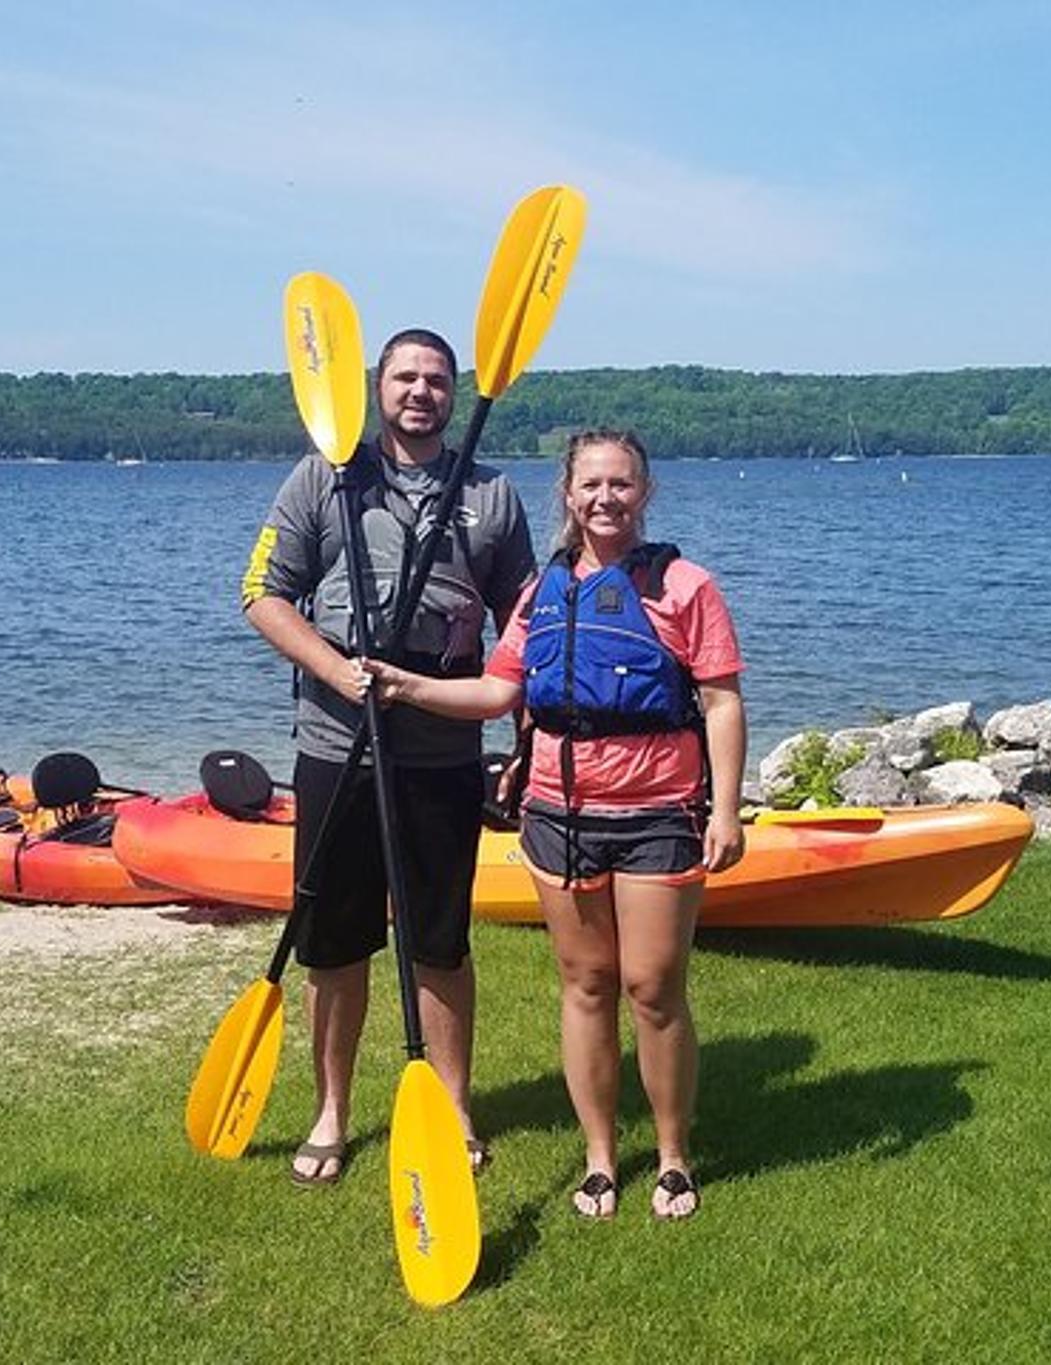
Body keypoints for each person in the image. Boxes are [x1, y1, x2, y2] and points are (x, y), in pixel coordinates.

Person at [367, 428, 746, 1221]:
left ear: (645, 492)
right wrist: (405, 686)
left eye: (621, 484)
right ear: (567, 495)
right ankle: (602, 1157)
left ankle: (673, 1155)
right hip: (558, 815)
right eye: (590, 485)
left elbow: (720, 700)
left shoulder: (684, 586)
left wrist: (724, 809)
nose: (605, 498)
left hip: (656, 814)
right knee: (586, 984)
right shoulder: (541, 594)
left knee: (653, 989)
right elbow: (498, 693)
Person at [241, 328, 536, 1187]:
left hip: (442, 749)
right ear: (377, 388)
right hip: (337, 744)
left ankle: (452, 1109)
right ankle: (331, 1111)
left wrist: (523, 723)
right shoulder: (324, 478)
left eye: (437, 380)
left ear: (454, 393)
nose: (421, 392)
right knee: (333, 945)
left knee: (440, 944)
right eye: (406, 376)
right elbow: (261, 592)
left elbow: (524, 621)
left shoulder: (492, 495)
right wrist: (337, 669)